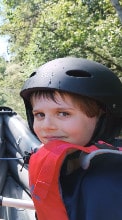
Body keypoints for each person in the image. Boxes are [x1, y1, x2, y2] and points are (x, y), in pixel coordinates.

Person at [19, 57, 122, 220]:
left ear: (104, 118)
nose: (46, 126)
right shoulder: (73, 162)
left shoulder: (106, 185)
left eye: (63, 113)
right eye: (39, 115)